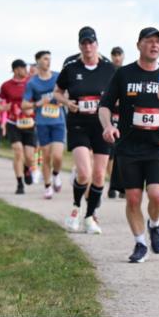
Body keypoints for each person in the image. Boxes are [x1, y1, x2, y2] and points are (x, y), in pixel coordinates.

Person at [100, 27, 159, 262]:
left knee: (158, 195)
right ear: (139, 45)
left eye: (157, 42)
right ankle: (140, 243)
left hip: (157, 145)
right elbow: (105, 105)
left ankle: (154, 224)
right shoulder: (124, 74)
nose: (154, 46)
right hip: (129, 146)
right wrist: (108, 126)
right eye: (149, 41)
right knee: (132, 198)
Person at [54, 26, 117, 234]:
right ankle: (75, 208)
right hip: (78, 124)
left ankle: (90, 217)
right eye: (84, 43)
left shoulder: (109, 69)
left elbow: (118, 94)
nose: (88, 46)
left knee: (99, 175)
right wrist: (67, 103)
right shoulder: (71, 68)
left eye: (91, 42)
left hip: (101, 126)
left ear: (97, 44)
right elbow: (57, 92)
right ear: (80, 46)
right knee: (84, 173)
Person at [24, 50, 66, 199]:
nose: (48, 61)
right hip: (42, 124)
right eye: (45, 59)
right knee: (46, 156)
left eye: (49, 58)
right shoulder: (32, 83)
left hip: (58, 122)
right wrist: (38, 103)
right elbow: (24, 105)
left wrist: (63, 99)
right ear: (38, 61)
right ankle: (48, 186)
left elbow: (68, 93)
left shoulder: (58, 77)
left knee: (58, 156)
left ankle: (56, 174)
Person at [0, 59, 37, 195]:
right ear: (15, 70)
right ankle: (20, 183)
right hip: (13, 122)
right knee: (18, 151)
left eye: (25, 67)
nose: (25, 70)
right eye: (22, 68)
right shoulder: (6, 85)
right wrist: (4, 107)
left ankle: (27, 168)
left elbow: (38, 100)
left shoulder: (31, 82)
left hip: (29, 122)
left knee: (30, 157)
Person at [106, 45, 126, 199]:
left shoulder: (127, 72)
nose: (117, 57)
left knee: (123, 153)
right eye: (114, 55)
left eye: (119, 54)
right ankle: (112, 185)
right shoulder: (108, 71)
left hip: (125, 117)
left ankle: (124, 186)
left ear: (123, 56)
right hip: (110, 116)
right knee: (110, 154)